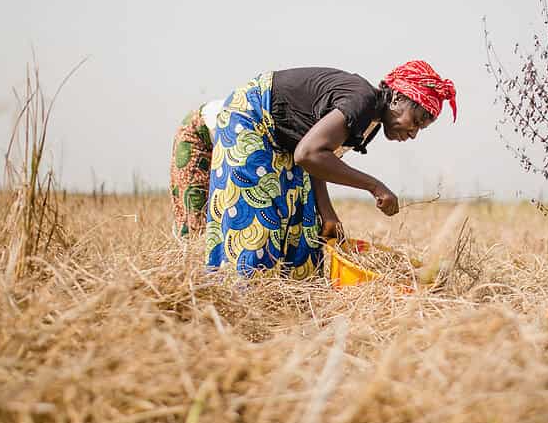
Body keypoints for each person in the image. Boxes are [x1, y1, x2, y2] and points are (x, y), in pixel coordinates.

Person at [169, 60, 457, 278]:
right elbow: (308, 154)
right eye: (416, 121)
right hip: (253, 119)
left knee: (304, 229)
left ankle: (288, 297)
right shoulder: (362, 101)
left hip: (282, 141)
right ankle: (236, 294)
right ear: (396, 99)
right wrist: (375, 185)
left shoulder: (369, 125)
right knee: (257, 225)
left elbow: (320, 160)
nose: (415, 133)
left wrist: (328, 214)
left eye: (423, 128)